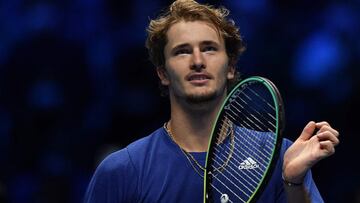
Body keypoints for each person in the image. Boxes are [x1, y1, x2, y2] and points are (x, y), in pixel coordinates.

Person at [83, 0, 340, 202]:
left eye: (209, 48)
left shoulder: (279, 157)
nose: (197, 61)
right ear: (163, 73)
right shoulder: (123, 170)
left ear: (230, 66)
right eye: (182, 51)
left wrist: (293, 183)